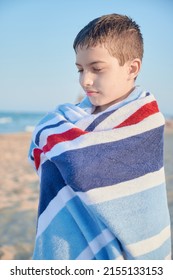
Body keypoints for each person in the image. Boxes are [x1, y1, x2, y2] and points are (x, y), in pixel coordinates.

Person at [29, 13, 171, 259]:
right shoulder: (65, 120)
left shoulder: (146, 123)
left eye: (96, 68)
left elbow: (143, 201)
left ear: (132, 68)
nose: (85, 80)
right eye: (80, 69)